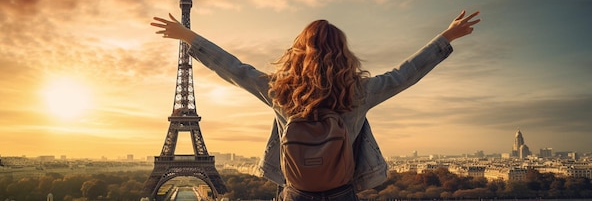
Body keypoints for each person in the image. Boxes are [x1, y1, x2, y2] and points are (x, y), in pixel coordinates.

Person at [150, 10, 481, 200]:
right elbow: (406, 73)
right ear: (343, 53)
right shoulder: (359, 92)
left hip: (296, 192)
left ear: (298, 52)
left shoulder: (280, 90)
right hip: (341, 191)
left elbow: (234, 69)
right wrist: (446, 38)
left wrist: (189, 37)